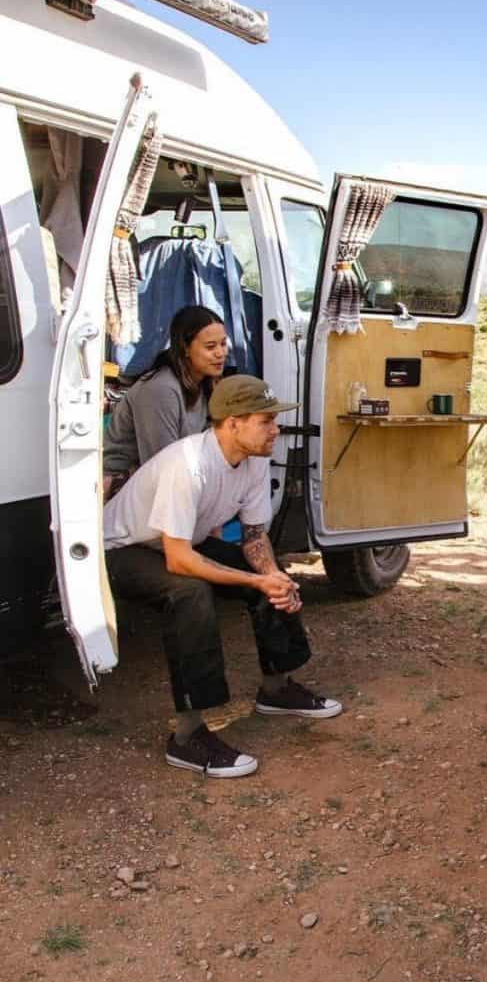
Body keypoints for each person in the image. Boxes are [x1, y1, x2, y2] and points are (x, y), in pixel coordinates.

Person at [103, 374, 343, 777]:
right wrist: (255, 582)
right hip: (120, 550)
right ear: (232, 423)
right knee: (190, 593)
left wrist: (272, 578)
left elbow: (253, 536)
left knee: (271, 572)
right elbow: (179, 561)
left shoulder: (255, 459)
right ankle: (187, 737)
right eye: (265, 420)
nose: (276, 429)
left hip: (178, 542)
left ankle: (277, 688)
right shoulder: (188, 465)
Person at [103, 304, 226, 498]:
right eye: (210, 347)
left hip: (174, 477)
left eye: (223, 344)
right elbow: (162, 465)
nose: (221, 353)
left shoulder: (204, 384)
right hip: (124, 487)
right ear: (185, 348)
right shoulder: (161, 389)